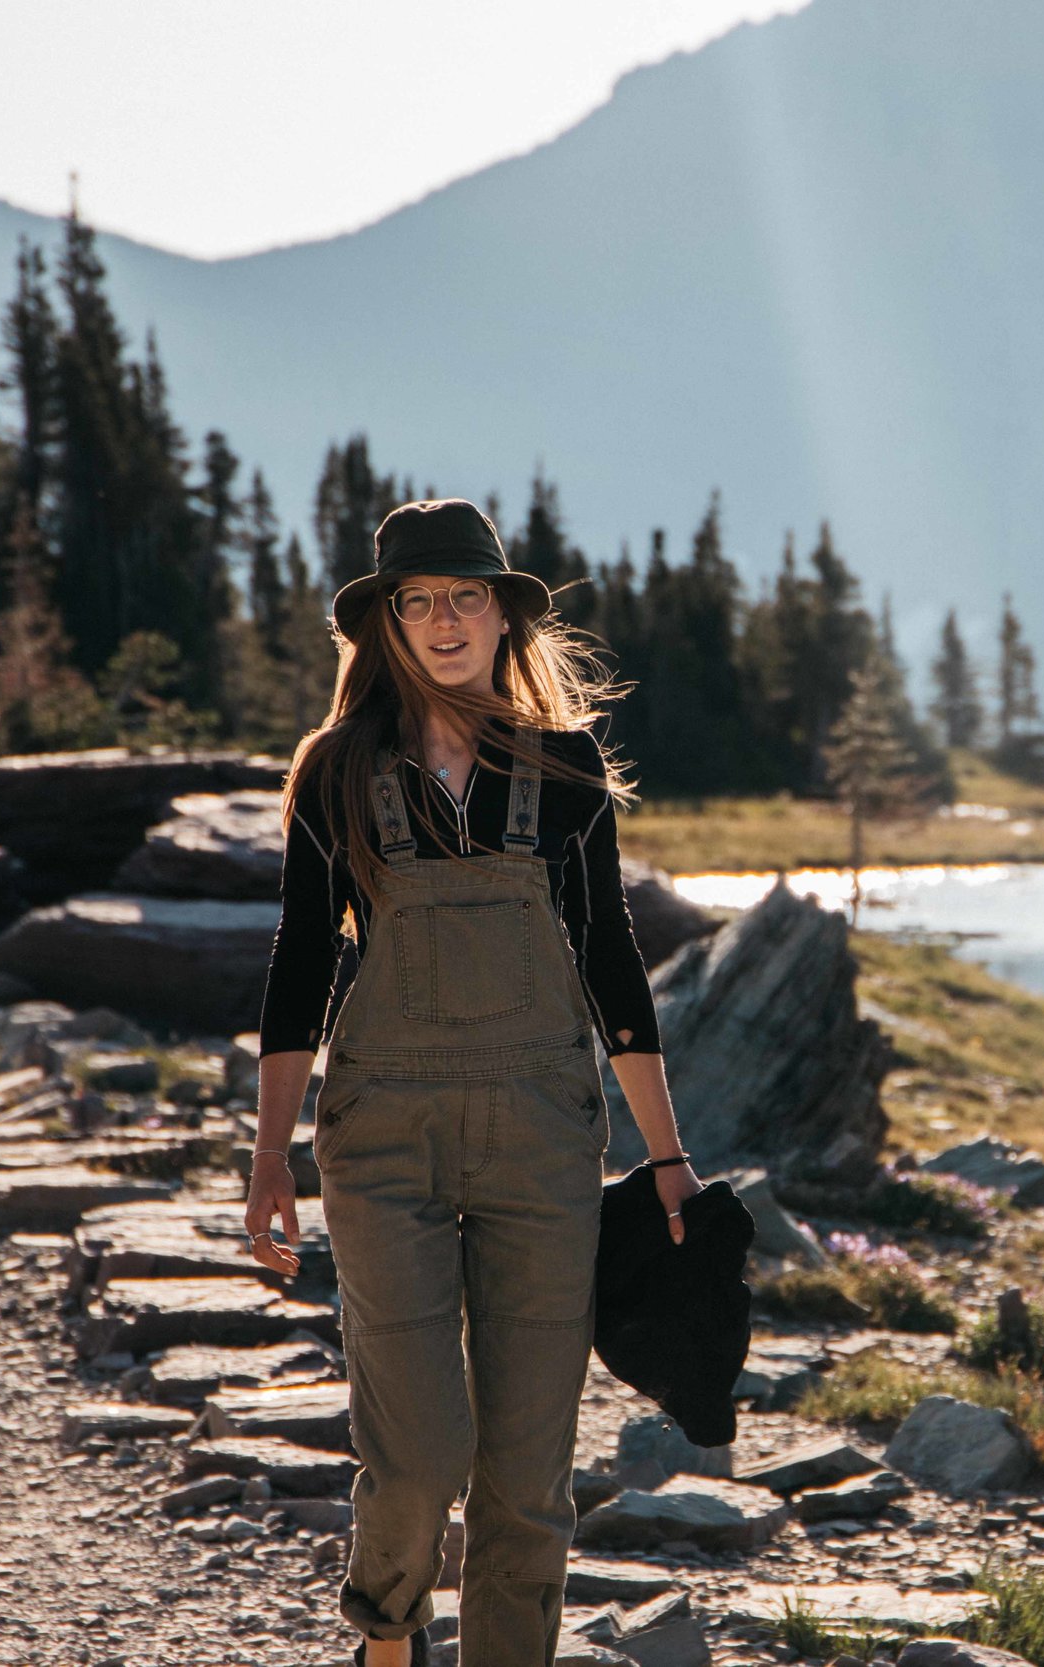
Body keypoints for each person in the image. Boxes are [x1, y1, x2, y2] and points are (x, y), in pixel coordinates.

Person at [244, 498, 698, 1667]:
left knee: (529, 1480)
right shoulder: (338, 769)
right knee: (417, 1456)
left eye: (464, 598)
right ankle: (387, 1637)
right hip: (380, 1133)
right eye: (417, 602)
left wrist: (667, 1156)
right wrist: (267, 1163)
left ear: (503, 614)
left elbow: (611, 962)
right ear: (385, 623)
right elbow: (300, 961)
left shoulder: (566, 763)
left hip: (545, 1137)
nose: (443, 622)